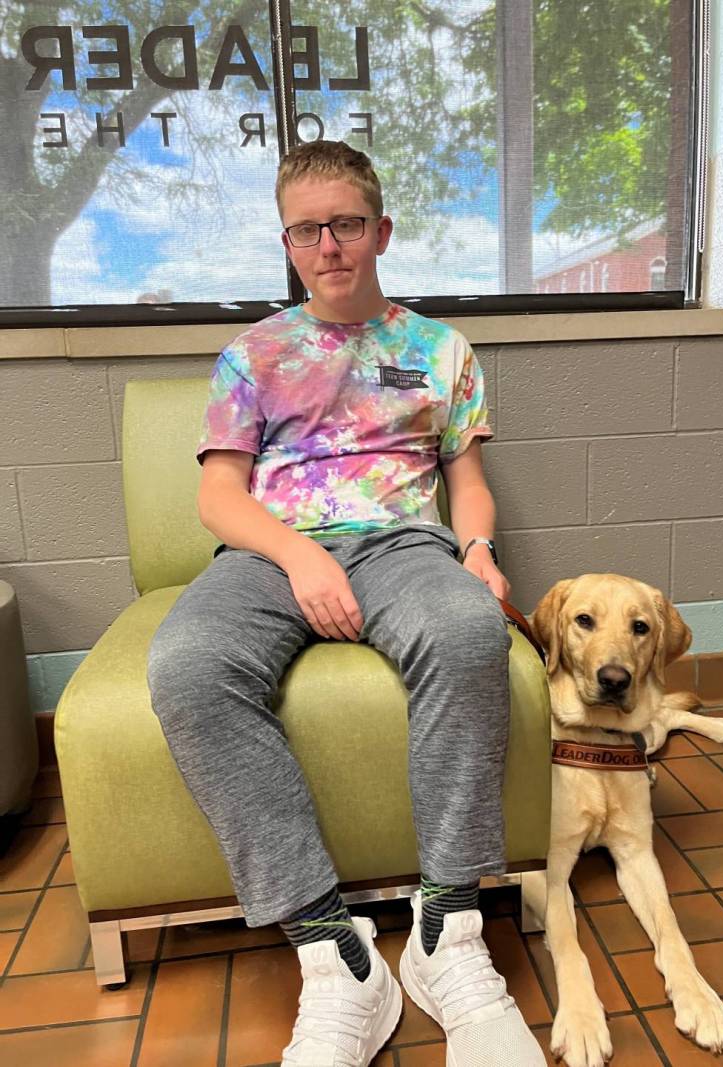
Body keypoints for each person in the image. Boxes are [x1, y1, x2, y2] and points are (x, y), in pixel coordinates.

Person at [147, 139, 546, 1067]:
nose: (329, 245)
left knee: (464, 629)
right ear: (287, 241)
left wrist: (480, 550)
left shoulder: (439, 349)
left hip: (405, 541)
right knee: (188, 666)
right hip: (270, 551)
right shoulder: (252, 355)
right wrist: (298, 558)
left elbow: (468, 481)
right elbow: (219, 495)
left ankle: (449, 934)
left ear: (381, 231)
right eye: (306, 229)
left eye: (347, 224)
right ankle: (338, 957)